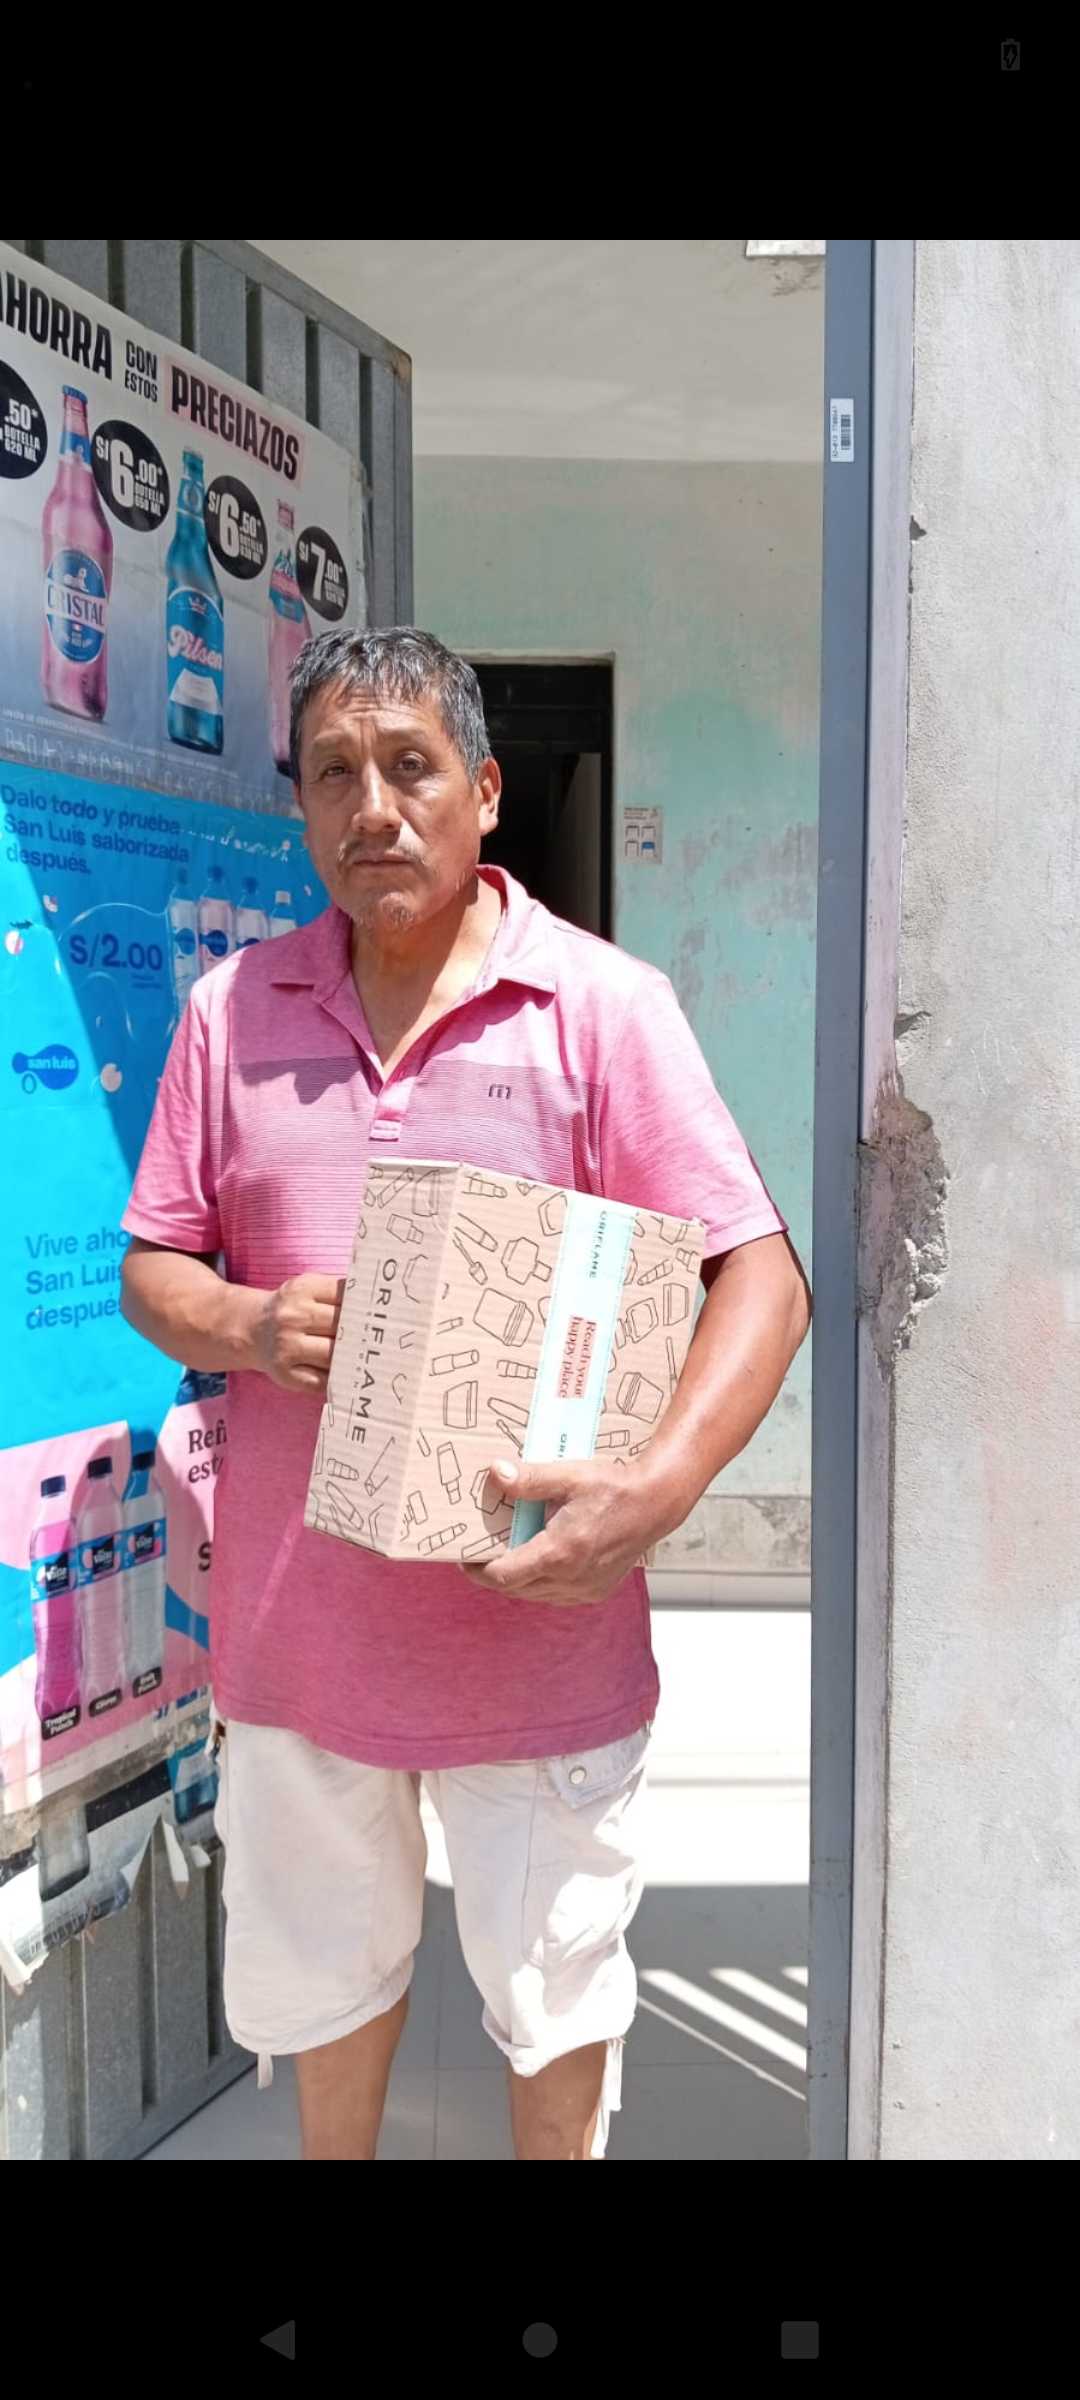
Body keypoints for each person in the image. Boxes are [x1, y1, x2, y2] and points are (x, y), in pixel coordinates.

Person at [121, 627, 810, 2161]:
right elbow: (153, 1264)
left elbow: (762, 1276)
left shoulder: (602, 1009)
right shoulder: (234, 1012)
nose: (373, 807)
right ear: (301, 807)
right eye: (333, 773)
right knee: (326, 1991)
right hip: (299, 1643)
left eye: (410, 766)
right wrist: (244, 1320)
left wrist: (657, 1491)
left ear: (485, 792)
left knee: (555, 1999)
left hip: (538, 1642)